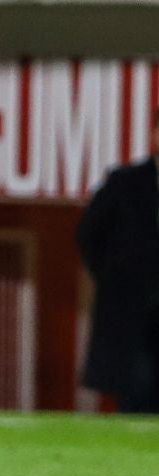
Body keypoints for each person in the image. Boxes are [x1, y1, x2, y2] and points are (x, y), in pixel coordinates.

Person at [76, 110, 159, 413]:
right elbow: (88, 234)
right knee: (136, 390)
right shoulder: (124, 182)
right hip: (132, 306)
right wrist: (113, 276)